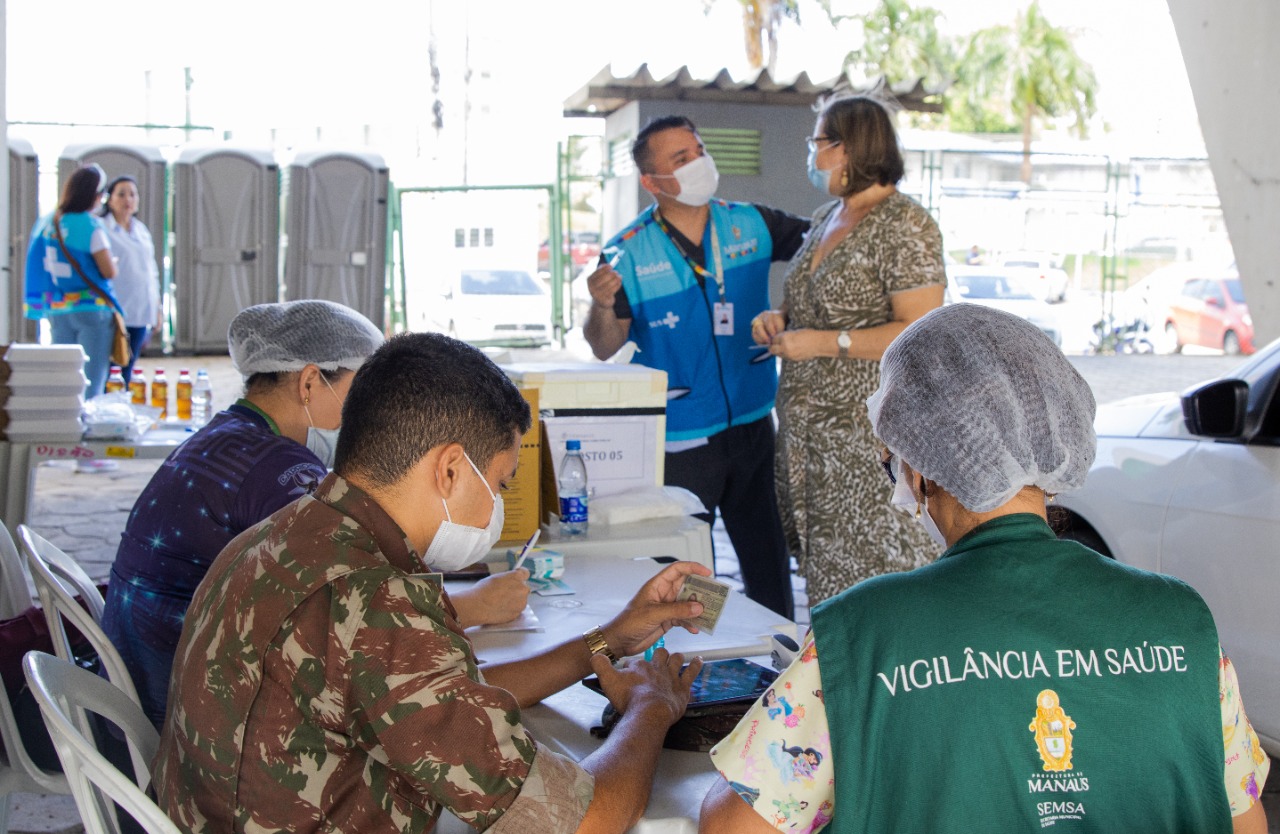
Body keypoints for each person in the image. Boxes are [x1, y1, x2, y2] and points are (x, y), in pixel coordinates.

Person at [702, 304, 1271, 834]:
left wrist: (653, 712)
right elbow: (1247, 822)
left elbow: (730, 827)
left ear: (920, 470)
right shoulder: (1180, 619)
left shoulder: (860, 634)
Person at [154, 331, 711, 834]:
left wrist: (608, 641)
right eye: (499, 482)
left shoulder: (285, 535)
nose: (497, 504)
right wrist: (651, 707)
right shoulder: (377, 602)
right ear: (448, 469)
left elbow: (450, 695)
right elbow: (590, 822)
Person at [100, 301, 527, 729]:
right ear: (309, 382)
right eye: (365, 391)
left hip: (143, 691)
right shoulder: (282, 476)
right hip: (180, 709)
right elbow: (363, 626)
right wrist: (475, 604)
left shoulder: (229, 437)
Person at [583, 115, 810, 620]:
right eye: (681, 159)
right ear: (652, 182)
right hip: (683, 440)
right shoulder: (626, 252)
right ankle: (698, 662)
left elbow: (825, 252)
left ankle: (780, 660)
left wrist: (792, 314)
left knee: (766, 557)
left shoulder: (752, 222)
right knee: (690, 568)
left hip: (753, 422)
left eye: (699, 151)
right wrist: (600, 306)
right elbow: (603, 346)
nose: (699, 164)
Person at [752, 95, 945, 604]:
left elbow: (919, 329)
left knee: (876, 577)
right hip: (809, 439)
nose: (812, 154)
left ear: (849, 147)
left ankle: (878, 680)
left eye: (818, 142)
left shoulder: (905, 224)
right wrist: (781, 320)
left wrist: (822, 343)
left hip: (867, 441)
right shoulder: (826, 217)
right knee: (826, 580)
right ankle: (831, 681)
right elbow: (814, 306)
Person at [23, 163, 119, 398]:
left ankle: (65, 423)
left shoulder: (50, 223)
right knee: (91, 380)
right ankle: (86, 428)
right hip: (91, 310)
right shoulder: (90, 225)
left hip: (58, 309)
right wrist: (114, 263)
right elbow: (107, 271)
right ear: (94, 195)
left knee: (64, 375)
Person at [100, 175, 160, 381]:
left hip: (141, 309)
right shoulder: (102, 229)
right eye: (122, 194)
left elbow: (151, 271)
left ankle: (121, 405)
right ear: (110, 199)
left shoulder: (141, 230)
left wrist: (157, 308)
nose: (128, 199)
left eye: (133, 194)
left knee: (129, 365)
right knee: (112, 366)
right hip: (115, 310)